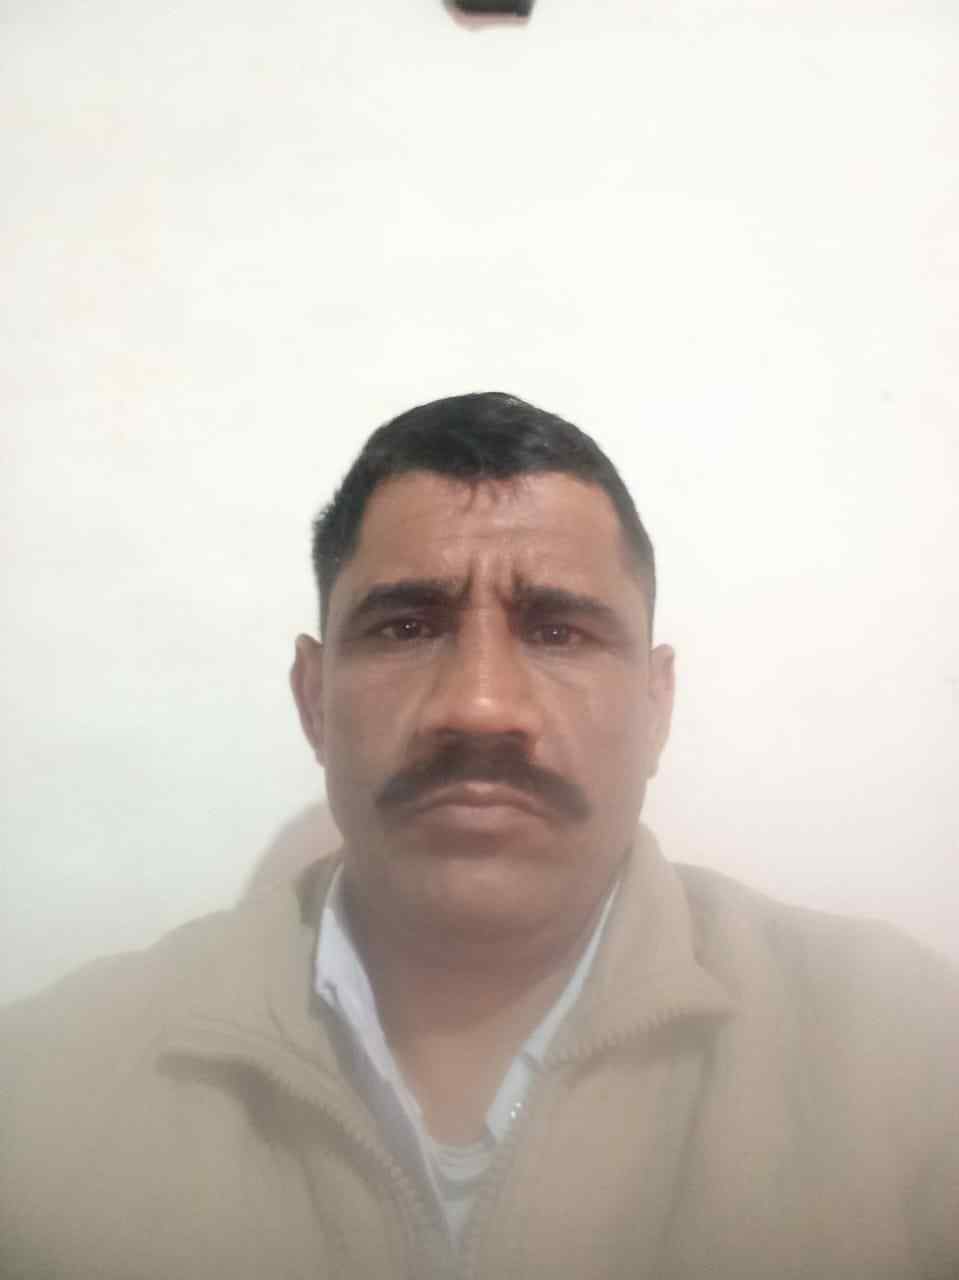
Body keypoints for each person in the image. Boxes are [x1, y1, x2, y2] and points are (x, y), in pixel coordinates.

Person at [2, 392, 957, 1280]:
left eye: (558, 632)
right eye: (405, 627)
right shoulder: (42, 1097)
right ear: (313, 698)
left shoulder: (910, 1066)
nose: (480, 705)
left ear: (655, 706)